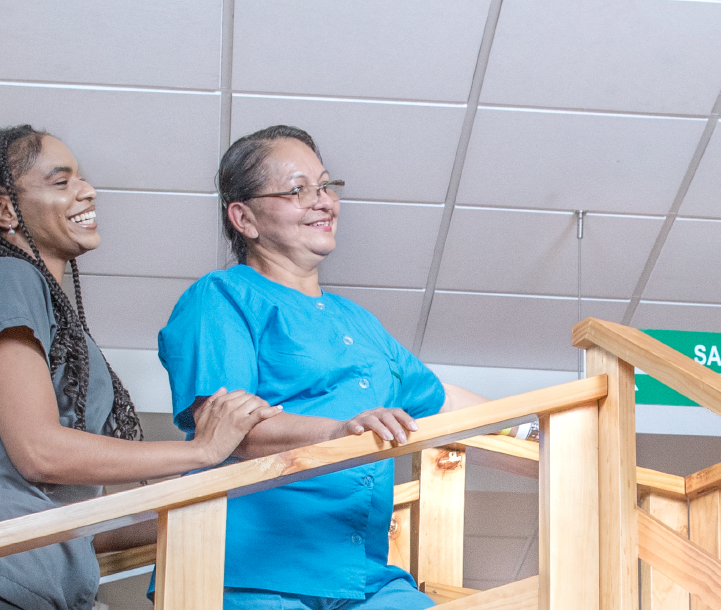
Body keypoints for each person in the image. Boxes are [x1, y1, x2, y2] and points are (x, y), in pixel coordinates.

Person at [0, 126, 280, 610]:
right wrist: (202, 451)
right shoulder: (7, 277)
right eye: (61, 182)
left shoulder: (61, 326)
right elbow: (39, 451)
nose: (87, 191)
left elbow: (75, 519)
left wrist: (222, 498)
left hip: (14, 572)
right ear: (2, 210)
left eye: (81, 179)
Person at [158, 125, 490, 610]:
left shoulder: (358, 321)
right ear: (244, 218)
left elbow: (442, 401)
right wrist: (341, 431)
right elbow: (231, 427)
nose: (323, 201)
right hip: (249, 569)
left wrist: (544, 431)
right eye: (297, 190)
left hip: (361, 575)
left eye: (326, 186)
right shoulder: (221, 297)